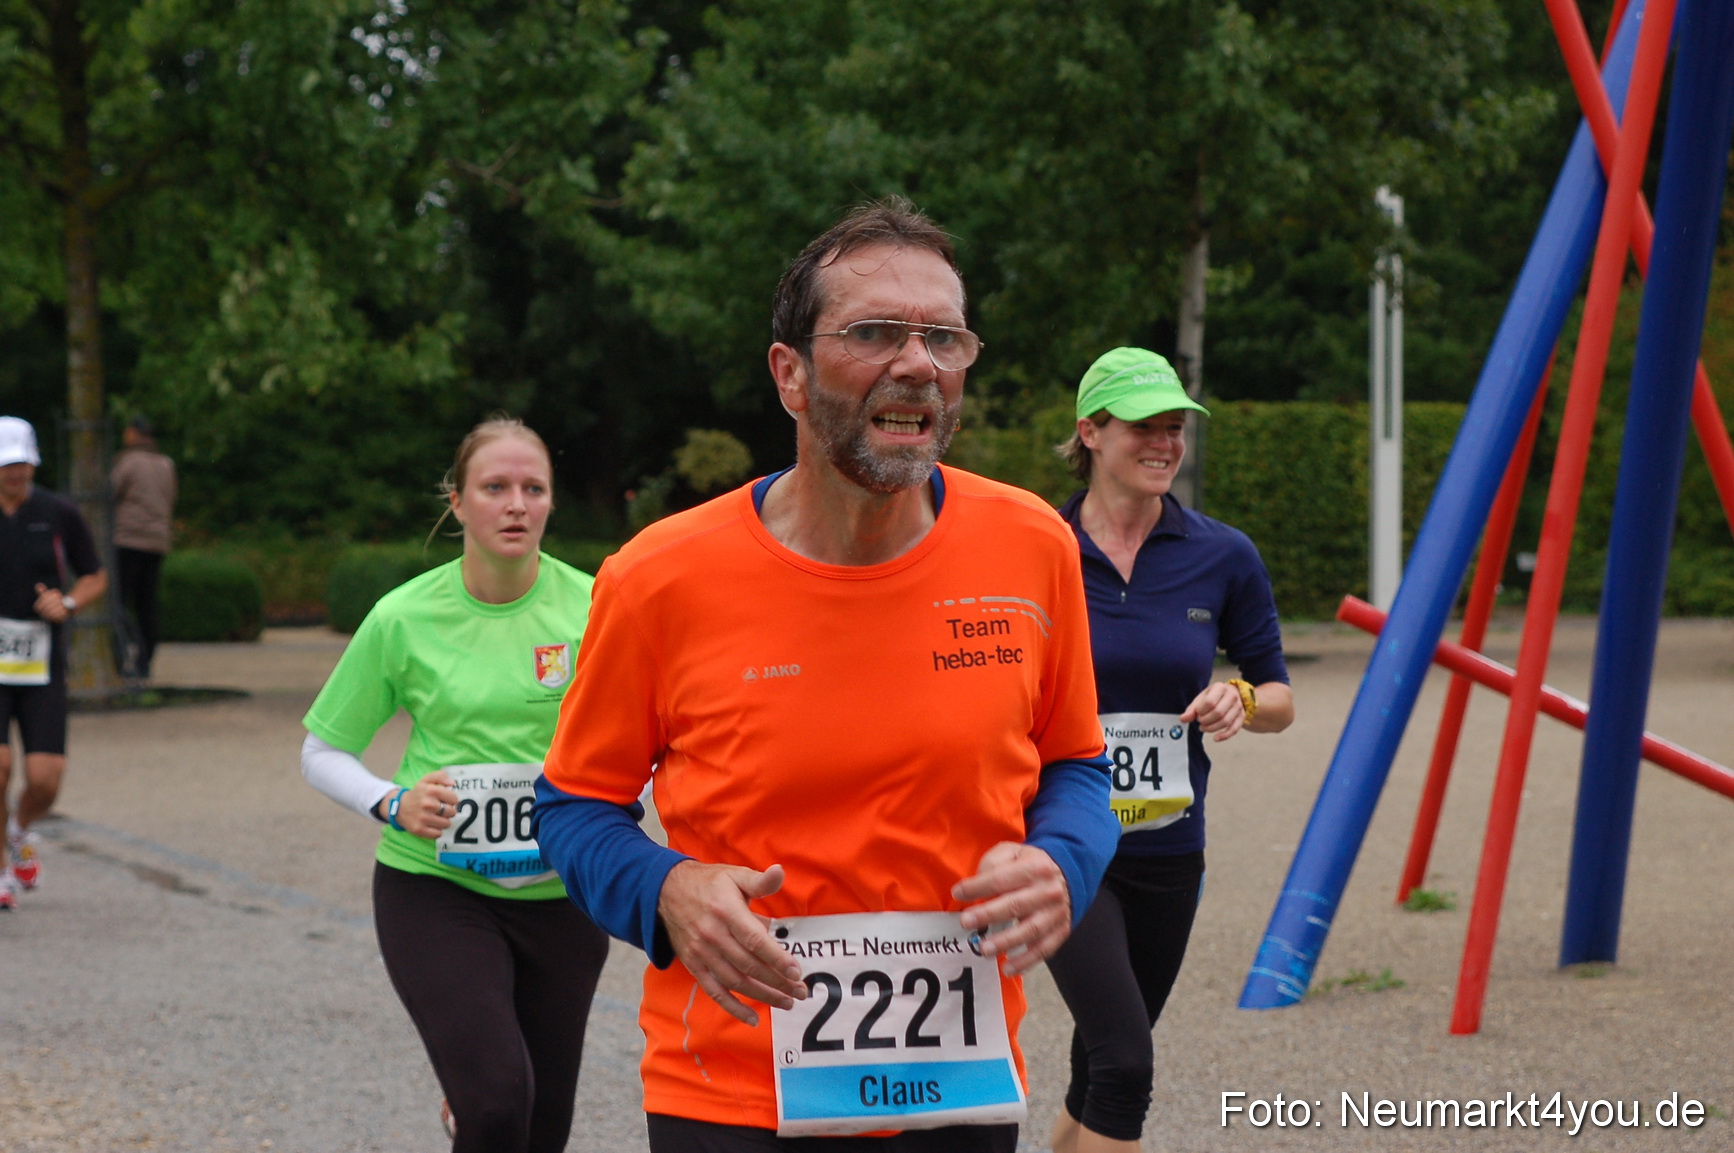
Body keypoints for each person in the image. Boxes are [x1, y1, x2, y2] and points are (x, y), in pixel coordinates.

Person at [533, 197, 1120, 1152]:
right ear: (790, 375)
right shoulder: (658, 577)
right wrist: (665, 888)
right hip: (730, 1092)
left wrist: (1063, 861)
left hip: (954, 1087)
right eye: (876, 332)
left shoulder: (1032, 547)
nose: (918, 362)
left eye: (944, 337)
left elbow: (1078, 769)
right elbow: (570, 807)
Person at [300, 417, 609, 1151]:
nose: (516, 504)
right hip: (433, 888)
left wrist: (614, 795)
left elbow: (650, 737)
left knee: (542, 1125)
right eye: (494, 487)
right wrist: (392, 801)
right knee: (500, 1100)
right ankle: (473, 1096)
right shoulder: (403, 616)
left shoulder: (597, 607)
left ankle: (471, 1101)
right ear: (458, 501)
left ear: (551, 502)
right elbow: (321, 750)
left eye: (533, 488)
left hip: (563, 895)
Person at [1043, 348, 1295, 1153]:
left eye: (1174, 427)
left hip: (1169, 848)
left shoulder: (1223, 554)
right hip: (1064, 842)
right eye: (1142, 426)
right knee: (1128, 1062)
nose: (1164, 442)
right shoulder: (1035, 547)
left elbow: (1279, 697)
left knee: (1097, 1068)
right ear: (1090, 431)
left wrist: (1242, 698)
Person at [0, 416, 109, 910]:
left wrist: (67, 604)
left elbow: (95, 575)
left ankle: (18, 829)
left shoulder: (58, 512)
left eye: (22, 463)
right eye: (6, 465)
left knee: (45, 779)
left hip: (41, 662)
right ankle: (3, 872)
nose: (15, 473)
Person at [109, 414, 177, 680]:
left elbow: (109, 493)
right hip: (157, 542)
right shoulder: (166, 464)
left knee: (119, 601)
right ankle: (145, 661)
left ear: (133, 434)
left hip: (128, 539)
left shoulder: (129, 462)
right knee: (147, 603)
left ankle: (119, 656)